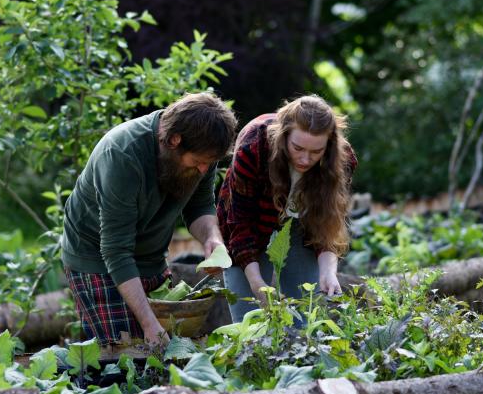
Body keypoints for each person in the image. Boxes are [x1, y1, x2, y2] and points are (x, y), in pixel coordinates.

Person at [61, 92, 238, 346]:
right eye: (199, 162)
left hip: (151, 257)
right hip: (96, 259)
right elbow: (116, 250)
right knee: (123, 356)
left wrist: (213, 239)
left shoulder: (202, 152)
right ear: (174, 140)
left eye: (208, 163)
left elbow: (200, 206)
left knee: (161, 357)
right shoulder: (122, 155)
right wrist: (148, 323)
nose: (203, 169)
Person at [216, 95, 357, 322]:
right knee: (248, 323)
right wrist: (257, 283)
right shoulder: (253, 148)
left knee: (304, 317)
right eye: (297, 148)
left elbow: (328, 222)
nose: (305, 159)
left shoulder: (342, 160)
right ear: (284, 137)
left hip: (301, 224)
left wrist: (329, 272)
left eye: (316, 152)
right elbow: (239, 224)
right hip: (250, 222)